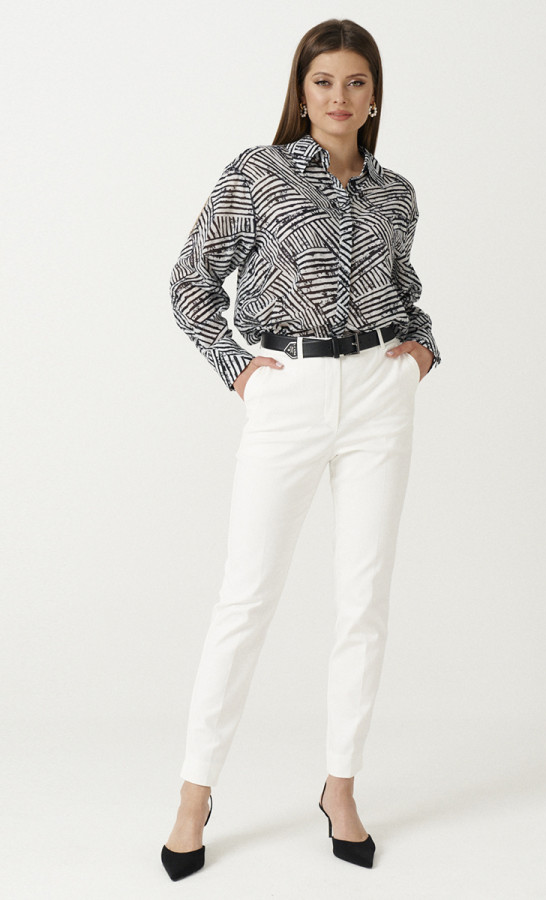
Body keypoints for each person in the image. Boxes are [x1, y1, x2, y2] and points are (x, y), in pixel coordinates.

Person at [161, 17, 441, 880]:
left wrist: (423, 352)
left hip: (379, 397)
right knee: (245, 598)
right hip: (288, 390)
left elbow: (406, 291)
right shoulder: (257, 173)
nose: (339, 97)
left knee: (363, 601)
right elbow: (191, 281)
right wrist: (240, 372)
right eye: (324, 82)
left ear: (375, 96)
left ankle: (341, 786)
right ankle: (194, 795)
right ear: (301, 89)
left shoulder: (396, 195)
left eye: (355, 82)